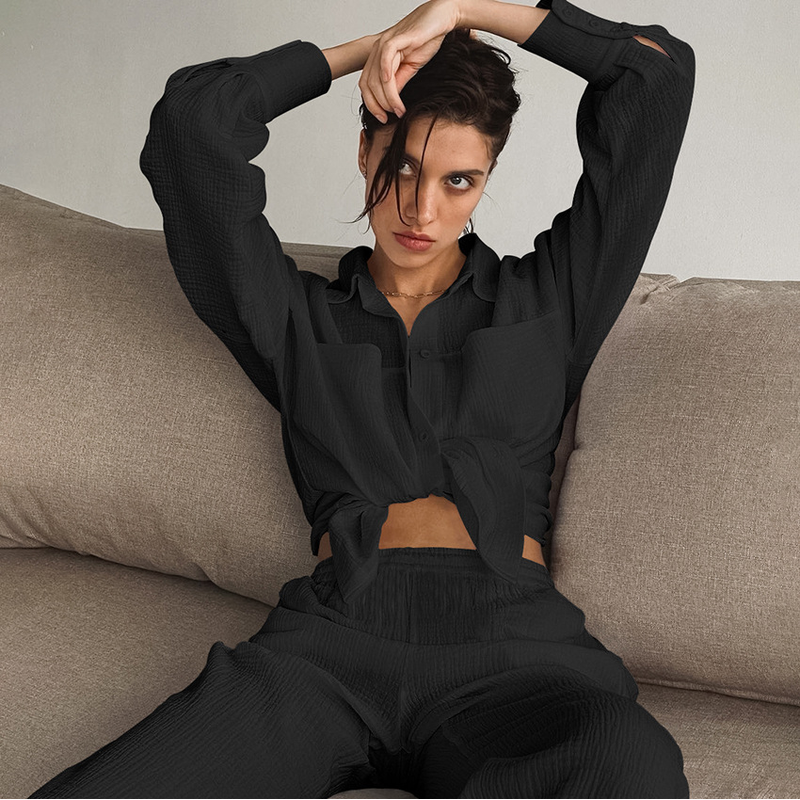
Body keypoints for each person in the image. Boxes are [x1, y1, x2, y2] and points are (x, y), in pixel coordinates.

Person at [29, 0, 696, 797]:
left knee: (629, 764)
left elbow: (656, 75)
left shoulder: (552, 300)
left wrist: (463, 9)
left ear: (486, 179)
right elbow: (191, 125)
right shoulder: (293, 319)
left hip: (516, 651)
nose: (422, 210)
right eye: (403, 168)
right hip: (330, 648)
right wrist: (372, 54)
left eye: (459, 180)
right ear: (364, 149)